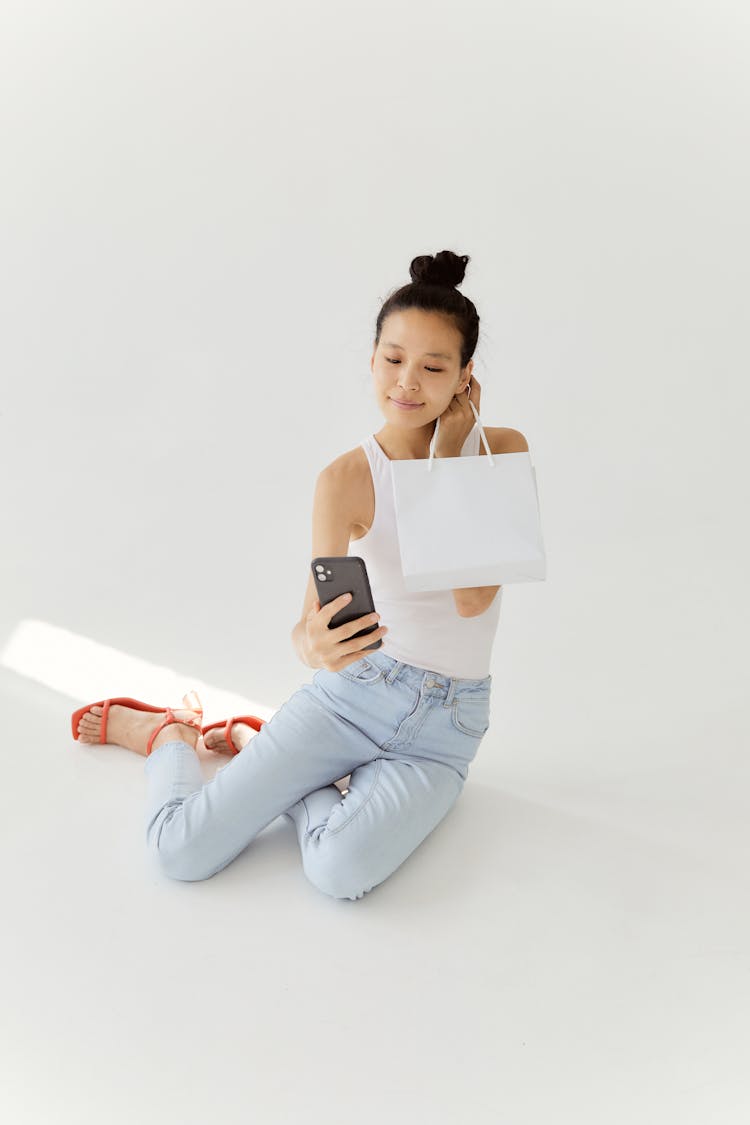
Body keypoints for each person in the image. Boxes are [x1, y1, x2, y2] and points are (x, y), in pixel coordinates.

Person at [72, 249, 529, 900]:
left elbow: (472, 596)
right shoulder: (345, 480)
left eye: (433, 367)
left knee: (339, 871)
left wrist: (450, 456)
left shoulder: (500, 452)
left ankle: (294, 777)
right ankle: (170, 736)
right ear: (372, 359)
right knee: (180, 852)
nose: (408, 382)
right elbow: (315, 626)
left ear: (464, 376)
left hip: (443, 733)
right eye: (394, 359)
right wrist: (310, 642)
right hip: (353, 697)